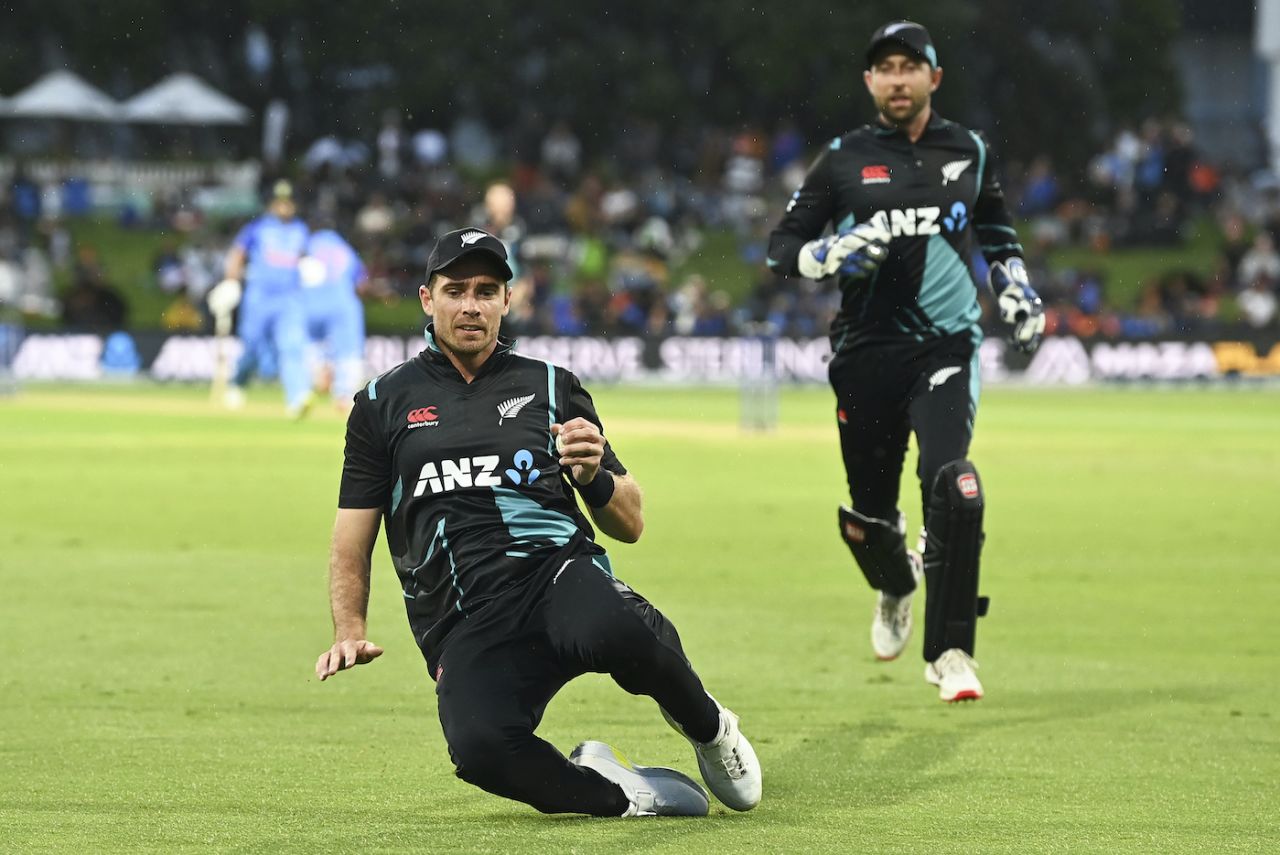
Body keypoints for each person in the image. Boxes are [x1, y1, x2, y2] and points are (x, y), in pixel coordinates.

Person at [314, 227, 762, 817]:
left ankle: (711, 731)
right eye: (455, 290)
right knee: (480, 749)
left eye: (486, 290)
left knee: (618, 629)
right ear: (428, 299)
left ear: (508, 299)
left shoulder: (552, 386)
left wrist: (594, 476)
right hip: (461, 618)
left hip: (552, 575)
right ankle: (620, 793)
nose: (470, 305)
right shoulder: (380, 403)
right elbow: (352, 537)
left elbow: (630, 522)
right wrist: (349, 628)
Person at [766, 21, 1046, 703]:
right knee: (868, 518)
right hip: (865, 354)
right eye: (884, 68)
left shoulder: (969, 151)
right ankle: (895, 585)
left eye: (909, 66)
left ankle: (950, 651)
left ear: (933, 78)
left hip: (947, 344)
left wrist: (1017, 287)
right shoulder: (843, 158)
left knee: (953, 485)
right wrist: (823, 256)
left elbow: (999, 235)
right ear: (869, 82)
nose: (897, 79)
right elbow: (782, 246)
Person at [208, 180, 311, 415]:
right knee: (252, 346)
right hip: (259, 297)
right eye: (279, 202)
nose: (284, 206)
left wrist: (310, 269)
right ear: (271, 204)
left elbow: (305, 259)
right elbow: (237, 254)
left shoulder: (300, 230)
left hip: (289, 298)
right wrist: (231, 281)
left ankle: (298, 398)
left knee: (292, 346)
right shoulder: (257, 228)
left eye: (288, 202)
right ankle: (237, 383)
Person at [298, 218, 368, 412]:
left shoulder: (306, 245)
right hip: (342, 305)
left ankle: (313, 381)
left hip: (310, 304)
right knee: (348, 351)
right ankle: (344, 396)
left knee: (310, 345)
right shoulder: (345, 249)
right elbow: (361, 282)